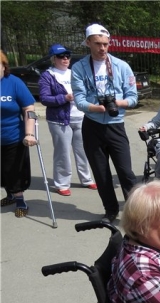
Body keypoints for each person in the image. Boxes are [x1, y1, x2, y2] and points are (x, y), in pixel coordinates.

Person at [71, 24, 138, 223]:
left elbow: (133, 97)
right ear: (88, 43)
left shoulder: (122, 66)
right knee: (101, 173)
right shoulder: (79, 68)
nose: (102, 48)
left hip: (116, 124)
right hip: (92, 125)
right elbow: (80, 99)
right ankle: (110, 211)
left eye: (105, 44)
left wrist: (119, 103)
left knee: (126, 172)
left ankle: (136, 212)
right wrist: (94, 107)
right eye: (98, 44)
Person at [38, 43, 96, 197]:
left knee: (83, 151)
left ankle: (86, 179)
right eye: (61, 56)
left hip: (81, 117)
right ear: (53, 59)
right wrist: (64, 97)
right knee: (62, 153)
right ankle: (62, 183)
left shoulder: (74, 73)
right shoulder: (48, 75)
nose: (65, 59)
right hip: (59, 120)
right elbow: (44, 98)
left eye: (67, 56)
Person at [1, 50, 37, 218]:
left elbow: (29, 109)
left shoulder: (14, 83)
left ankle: (20, 200)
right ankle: (9, 196)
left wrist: (29, 133)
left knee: (13, 170)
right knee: (2, 171)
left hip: (13, 136)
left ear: (4, 66)